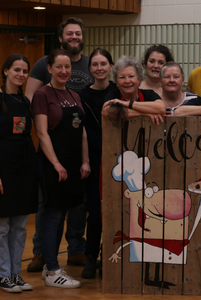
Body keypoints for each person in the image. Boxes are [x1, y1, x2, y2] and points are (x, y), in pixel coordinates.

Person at [26, 17, 93, 272]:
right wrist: (53, 159)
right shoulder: (43, 73)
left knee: (76, 205)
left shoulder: (83, 75)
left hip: (75, 155)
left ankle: (75, 249)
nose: (74, 37)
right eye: (70, 33)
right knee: (49, 209)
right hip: (52, 153)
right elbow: (32, 101)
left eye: (78, 33)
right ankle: (43, 255)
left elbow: (83, 127)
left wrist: (85, 159)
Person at [0, 54, 38, 293]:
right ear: (5, 71)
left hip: (24, 170)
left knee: (20, 227)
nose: (21, 74)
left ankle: (16, 274)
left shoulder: (25, 101)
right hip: (4, 170)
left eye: (25, 71)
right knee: (2, 227)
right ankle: (3, 275)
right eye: (16, 70)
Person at [77, 48, 115, 279]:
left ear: (111, 66)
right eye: (95, 64)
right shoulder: (82, 95)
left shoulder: (119, 91)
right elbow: (84, 129)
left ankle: (110, 254)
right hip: (96, 158)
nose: (99, 68)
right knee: (96, 211)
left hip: (121, 160)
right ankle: (91, 257)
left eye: (103, 63)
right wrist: (104, 145)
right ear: (90, 68)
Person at [102, 55, 166, 123]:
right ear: (117, 82)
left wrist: (126, 103)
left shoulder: (148, 94)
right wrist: (143, 114)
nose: (127, 81)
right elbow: (107, 111)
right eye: (122, 77)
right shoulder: (113, 94)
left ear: (139, 78)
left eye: (131, 76)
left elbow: (161, 108)